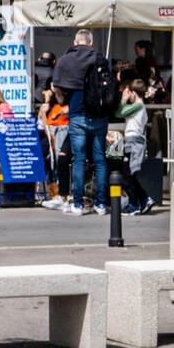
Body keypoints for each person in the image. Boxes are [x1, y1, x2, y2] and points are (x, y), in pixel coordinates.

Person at [51, 28, 109, 216]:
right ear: (90, 42)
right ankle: (100, 204)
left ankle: (77, 204)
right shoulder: (101, 58)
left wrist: (62, 98)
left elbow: (57, 88)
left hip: (77, 114)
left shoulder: (64, 60)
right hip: (99, 115)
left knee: (78, 160)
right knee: (100, 160)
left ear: (76, 42)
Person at [117, 79, 155, 216]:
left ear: (133, 93)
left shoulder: (138, 106)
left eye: (129, 93)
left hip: (133, 141)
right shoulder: (140, 107)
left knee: (128, 175)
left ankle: (134, 204)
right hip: (132, 141)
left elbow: (119, 113)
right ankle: (145, 199)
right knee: (130, 174)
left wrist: (123, 99)